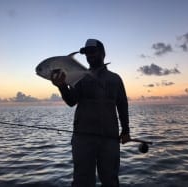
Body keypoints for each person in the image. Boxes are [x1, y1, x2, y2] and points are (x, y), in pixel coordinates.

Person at [51, 39, 131, 187]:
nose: (89, 56)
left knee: (110, 181)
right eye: (86, 53)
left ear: (103, 53)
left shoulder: (115, 79)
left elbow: (122, 105)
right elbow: (71, 101)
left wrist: (126, 130)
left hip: (110, 139)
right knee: (82, 181)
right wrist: (62, 86)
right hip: (83, 138)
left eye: (92, 52)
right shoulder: (80, 78)